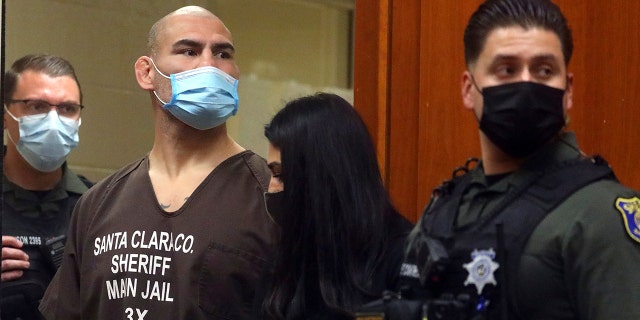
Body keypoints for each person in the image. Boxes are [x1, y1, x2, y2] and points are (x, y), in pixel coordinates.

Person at [400, 0, 640, 319]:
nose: (526, 84)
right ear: (469, 89)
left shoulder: (599, 215)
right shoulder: (446, 209)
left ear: (567, 91)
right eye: (506, 70)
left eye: (544, 70)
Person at [38, 6, 277, 320]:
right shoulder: (98, 204)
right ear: (146, 73)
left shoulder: (269, 194)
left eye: (222, 54)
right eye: (189, 51)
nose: (209, 65)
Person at [260, 93, 413, 319]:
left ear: (321, 177)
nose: (271, 188)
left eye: (281, 175)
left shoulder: (404, 258)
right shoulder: (289, 255)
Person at [1, 54, 92, 320]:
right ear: (5, 115)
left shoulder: (97, 207)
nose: (54, 121)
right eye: (36, 106)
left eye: (67, 109)